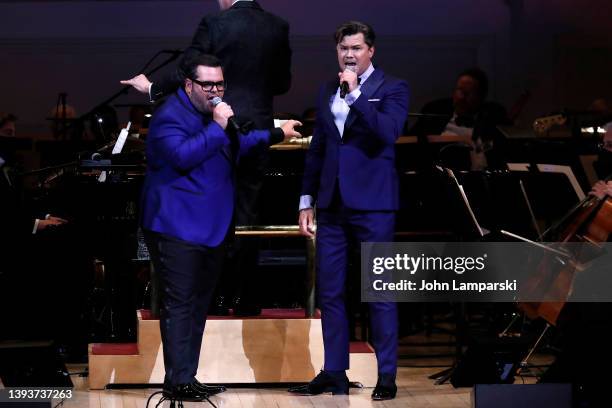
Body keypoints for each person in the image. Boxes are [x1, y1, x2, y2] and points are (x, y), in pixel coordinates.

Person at [140, 54, 300, 402]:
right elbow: (182, 156)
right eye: (208, 85)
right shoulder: (169, 117)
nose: (215, 91)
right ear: (188, 85)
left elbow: (238, 142)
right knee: (180, 306)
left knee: (198, 306)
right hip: (176, 226)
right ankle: (177, 382)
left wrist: (276, 132)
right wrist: (216, 126)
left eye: (220, 84)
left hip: (211, 226)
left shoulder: (215, 115)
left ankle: (186, 376)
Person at [122, 0, 292, 316]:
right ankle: (246, 298)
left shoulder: (215, 23)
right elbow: (283, 83)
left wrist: (151, 89)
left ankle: (213, 294)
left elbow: (189, 70)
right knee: (248, 215)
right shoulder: (278, 26)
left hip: (217, 124)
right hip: (256, 123)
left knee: (207, 205)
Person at [290, 21, 409, 401]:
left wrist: (357, 96)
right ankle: (334, 372)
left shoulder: (392, 88)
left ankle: (387, 375)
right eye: (343, 48)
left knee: (380, 292)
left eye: (356, 48)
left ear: (371, 50)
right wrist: (307, 200)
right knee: (330, 292)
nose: (349, 55)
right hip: (333, 204)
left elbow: (388, 133)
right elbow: (319, 148)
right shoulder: (328, 88)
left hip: (375, 204)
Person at [409, 67, 509, 170]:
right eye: (459, 90)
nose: (461, 97)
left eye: (468, 93)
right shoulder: (435, 112)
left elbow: (499, 153)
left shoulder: (492, 117)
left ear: (481, 96)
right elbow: (411, 146)